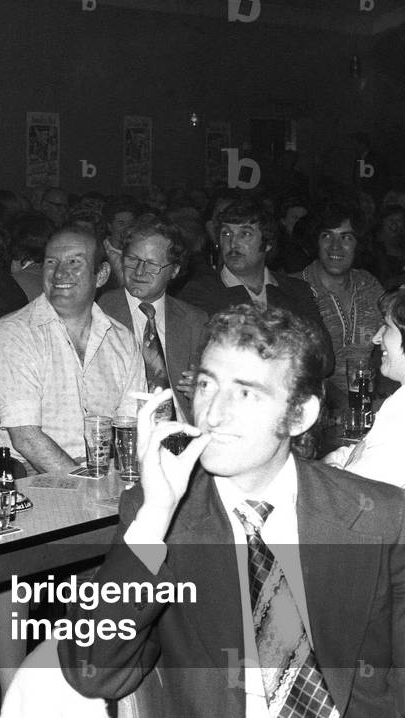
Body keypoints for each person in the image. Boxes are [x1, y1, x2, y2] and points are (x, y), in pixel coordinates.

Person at [59, 304, 405, 717]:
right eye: (206, 386)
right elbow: (93, 673)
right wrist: (153, 519)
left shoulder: (380, 517)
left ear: (301, 415)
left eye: (245, 392)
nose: (213, 414)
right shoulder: (161, 516)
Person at [0, 224, 144, 471]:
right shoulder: (14, 333)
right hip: (31, 477)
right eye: (51, 262)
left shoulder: (121, 340)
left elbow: (131, 427)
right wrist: (87, 486)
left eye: (74, 262)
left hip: (103, 471)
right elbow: (26, 439)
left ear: (100, 275)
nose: (59, 274)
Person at [176, 196, 335, 376]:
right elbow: (193, 362)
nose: (233, 243)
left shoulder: (296, 290)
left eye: (245, 234)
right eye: (226, 234)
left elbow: (324, 359)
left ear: (267, 243)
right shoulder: (200, 293)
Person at [98, 216, 208, 421]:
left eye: (151, 264)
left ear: (174, 270)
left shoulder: (195, 321)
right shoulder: (100, 311)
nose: (139, 271)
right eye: (132, 260)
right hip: (124, 432)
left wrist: (203, 392)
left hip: (181, 434)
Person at [296, 202, 384, 418]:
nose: (335, 247)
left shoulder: (370, 286)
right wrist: (344, 404)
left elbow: (390, 347)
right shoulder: (294, 289)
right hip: (314, 416)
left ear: (358, 244)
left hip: (367, 411)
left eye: (346, 237)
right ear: (315, 241)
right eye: (327, 236)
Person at [326, 287, 405, 487]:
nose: (376, 338)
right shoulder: (398, 401)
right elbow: (356, 451)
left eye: (386, 326)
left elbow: (347, 493)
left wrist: (334, 467)